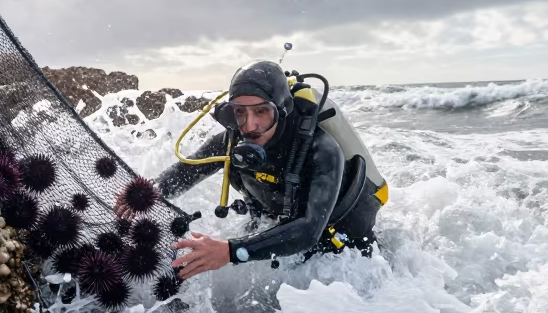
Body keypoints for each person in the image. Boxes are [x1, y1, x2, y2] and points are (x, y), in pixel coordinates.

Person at [158, 60, 386, 280]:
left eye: (261, 112)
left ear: (282, 109)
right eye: (239, 112)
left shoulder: (322, 150)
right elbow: (176, 178)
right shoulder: (228, 142)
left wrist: (230, 251)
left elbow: (309, 229)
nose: (249, 125)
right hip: (278, 229)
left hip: (345, 249)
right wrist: (138, 197)